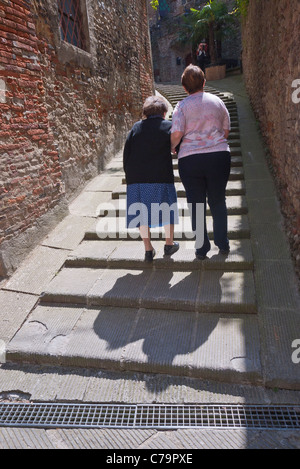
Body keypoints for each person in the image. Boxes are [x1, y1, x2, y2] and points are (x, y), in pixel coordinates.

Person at [170, 64, 231, 260]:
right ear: (204, 83)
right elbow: (226, 130)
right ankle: (223, 244)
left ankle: (201, 248)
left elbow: (177, 133)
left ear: (184, 87)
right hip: (218, 156)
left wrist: (173, 145)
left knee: (195, 204)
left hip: (190, 159)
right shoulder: (218, 102)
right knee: (218, 200)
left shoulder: (181, 106)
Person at [123, 95, 180, 262]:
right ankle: (169, 244)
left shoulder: (135, 128)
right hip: (160, 176)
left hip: (137, 178)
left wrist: (130, 178)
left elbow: (127, 153)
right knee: (167, 210)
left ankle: (148, 249)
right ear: (163, 112)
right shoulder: (168, 126)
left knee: (142, 214)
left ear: (146, 112)